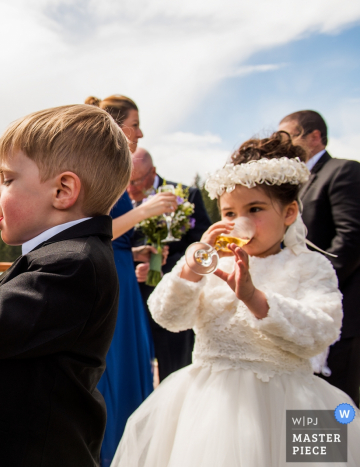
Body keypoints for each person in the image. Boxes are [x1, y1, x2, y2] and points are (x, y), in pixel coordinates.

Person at [111, 132, 359, 467]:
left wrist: (255, 298)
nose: (238, 222)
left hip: (296, 401)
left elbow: (321, 331)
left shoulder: (309, 266)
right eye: (228, 213)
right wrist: (191, 269)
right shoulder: (212, 265)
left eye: (254, 209)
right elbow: (167, 315)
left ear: (289, 213)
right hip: (212, 405)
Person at [0, 104, 130, 466]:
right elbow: (1, 330)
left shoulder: (76, 262)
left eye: (7, 179)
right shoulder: (57, 255)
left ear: (63, 191)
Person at [86, 95, 178, 466]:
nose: (140, 132)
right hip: (112, 281)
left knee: (134, 361)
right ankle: (111, 453)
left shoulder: (116, 168)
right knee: (116, 364)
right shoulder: (98, 166)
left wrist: (137, 254)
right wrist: (146, 210)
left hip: (122, 269)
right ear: (117, 125)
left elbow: (114, 239)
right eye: (135, 124)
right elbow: (96, 228)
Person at [279, 110, 360, 406]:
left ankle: (336, 454)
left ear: (314, 137)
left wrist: (311, 283)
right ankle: (310, 453)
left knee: (336, 401)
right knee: (307, 401)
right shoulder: (293, 183)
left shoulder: (342, 171)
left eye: (287, 137)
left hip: (337, 308)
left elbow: (351, 238)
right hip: (300, 310)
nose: (282, 145)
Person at [129, 147, 211, 381]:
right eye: (126, 180)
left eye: (135, 181)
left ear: (152, 172)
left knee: (175, 372)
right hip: (132, 301)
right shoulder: (121, 202)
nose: (129, 188)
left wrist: (160, 269)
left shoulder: (186, 196)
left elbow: (201, 247)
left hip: (173, 300)